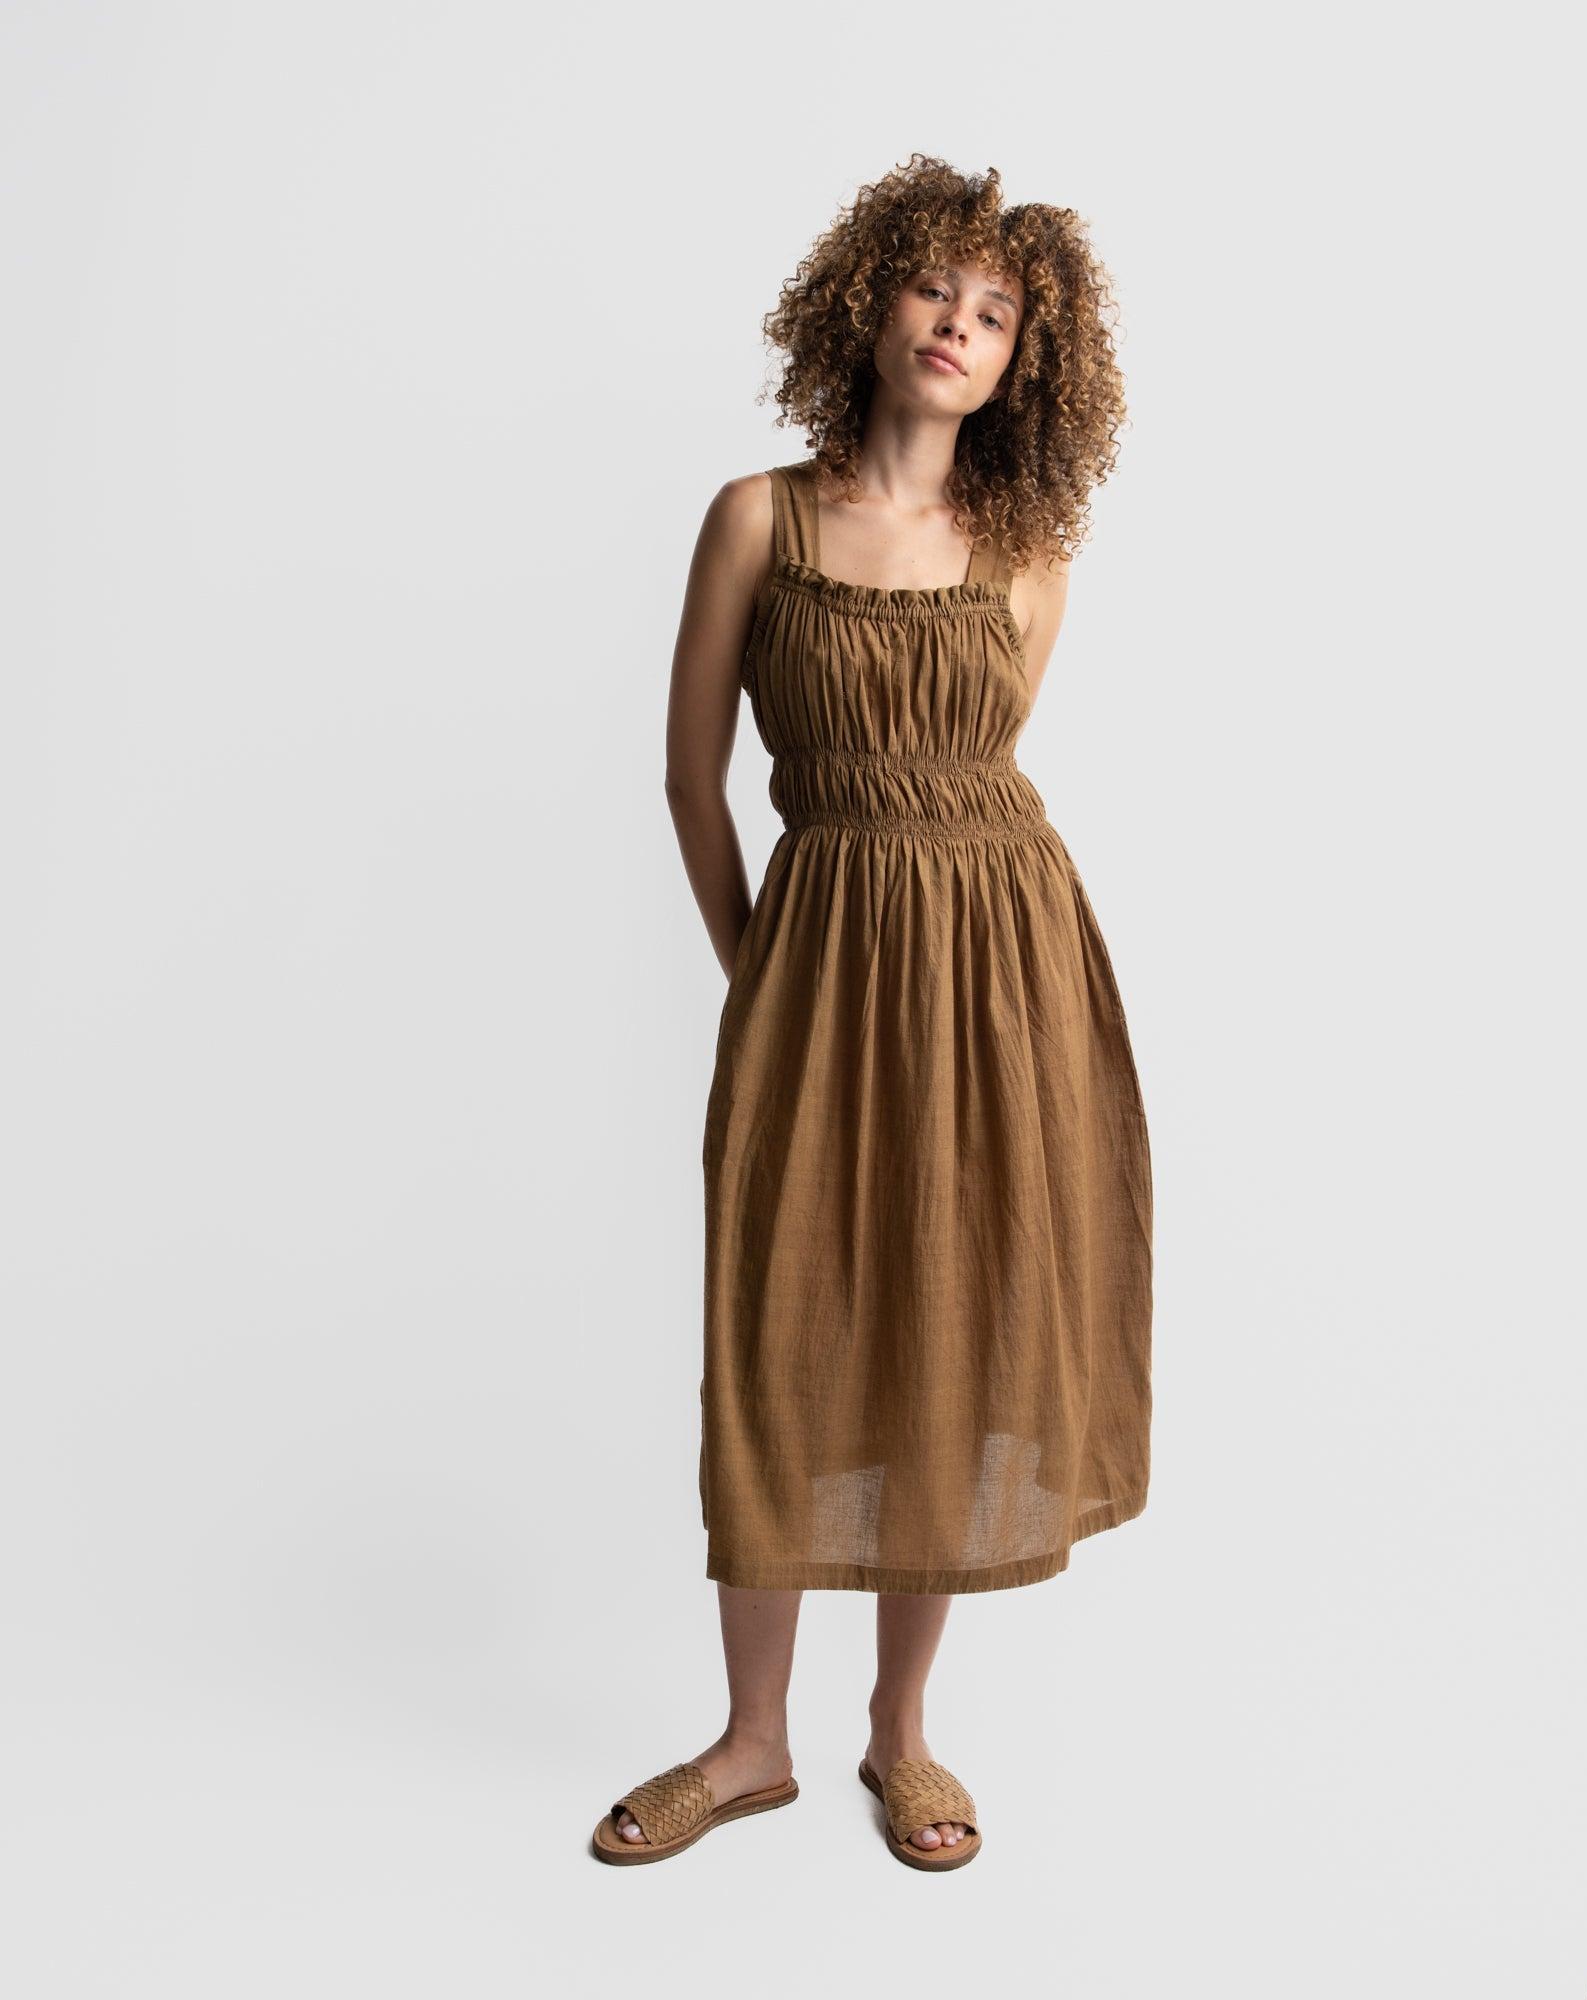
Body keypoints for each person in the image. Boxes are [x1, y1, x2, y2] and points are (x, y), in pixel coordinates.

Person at [593, 154, 1153, 1872]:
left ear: (1024, 362)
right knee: (778, 1331)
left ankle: (898, 1735)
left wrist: (971, 982)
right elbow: (691, 778)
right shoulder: (756, 518)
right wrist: (758, 969)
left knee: (957, 1326)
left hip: (1004, 976)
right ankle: (750, 1742)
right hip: (818, 966)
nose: (958, 327)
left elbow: (972, 784)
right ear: (871, 297)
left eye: (997, 314)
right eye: (936, 289)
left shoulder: (1030, 557)